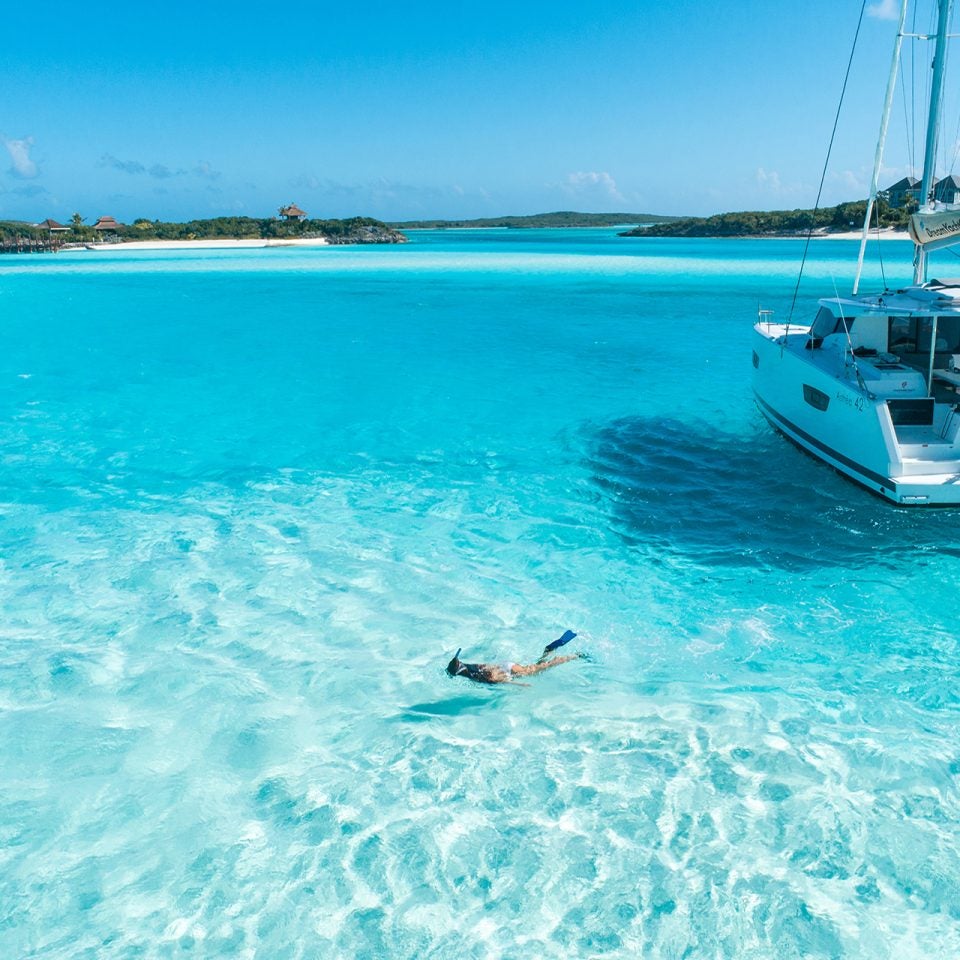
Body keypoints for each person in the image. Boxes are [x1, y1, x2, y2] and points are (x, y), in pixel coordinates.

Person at [446, 630, 585, 686]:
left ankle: (576, 655)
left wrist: (520, 685)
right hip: (506, 666)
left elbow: (500, 679)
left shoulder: (477, 677)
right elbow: (495, 672)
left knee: (544, 667)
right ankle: (548, 649)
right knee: (539, 664)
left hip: (511, 671)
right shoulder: (474, 667)